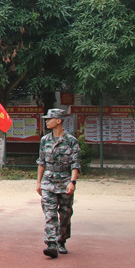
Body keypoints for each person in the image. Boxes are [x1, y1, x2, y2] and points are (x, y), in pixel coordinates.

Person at [37, 108, 80, 258]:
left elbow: (75, 163)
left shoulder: (71, 141)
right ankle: (51, 244)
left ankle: (61, 240)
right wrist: (38, 182)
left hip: (64, 180)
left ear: (59, 120)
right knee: (49, 213)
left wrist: (72, 182)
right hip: (48, 180)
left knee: (65, 213)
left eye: (49, 119)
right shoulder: (44, 140)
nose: (47, 121)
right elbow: (41, 162)